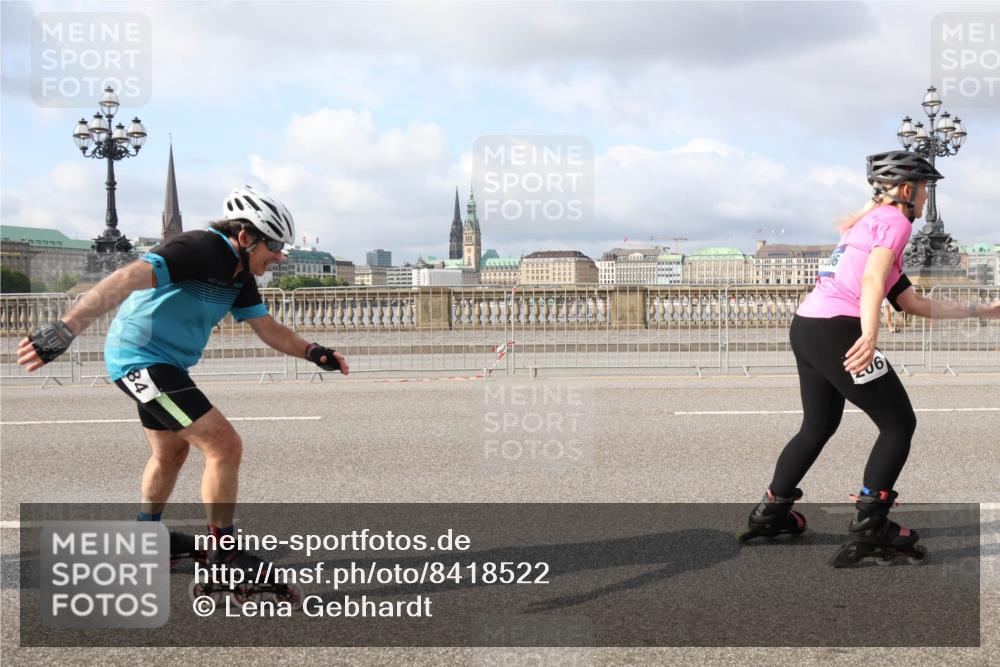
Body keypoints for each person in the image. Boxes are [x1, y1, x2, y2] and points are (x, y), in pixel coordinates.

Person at [18, 185, 348, 587]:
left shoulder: (240, 275)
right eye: (275, 244)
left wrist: (314, 351)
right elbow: (124, 278)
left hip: (165, 364)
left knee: (171, 452)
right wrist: (66, 328)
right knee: (224, 444)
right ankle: (224, 554)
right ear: (245, 238)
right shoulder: (197, 249)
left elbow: (268, 330)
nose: (280, 255)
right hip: (140, 359)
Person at [737, 151, 1000, 566]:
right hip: (839, 331)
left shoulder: (868, 224)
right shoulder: (895, 222)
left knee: (819, 424)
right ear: (909, 190)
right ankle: (871, 527)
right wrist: (869, 332)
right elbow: (871, 278)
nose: (926, 200)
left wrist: (982, 311)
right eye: (926, 191)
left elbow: (911, 302)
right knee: (899, 424)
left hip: (808, 327)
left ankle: (771, 511)